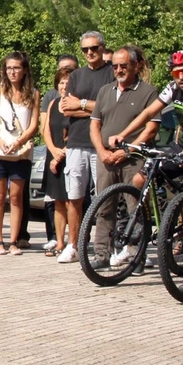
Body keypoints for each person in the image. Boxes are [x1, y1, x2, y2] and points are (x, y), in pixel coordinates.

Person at [88, 47, 160, 267]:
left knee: (136, 207)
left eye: (124, 66)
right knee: (104, 207)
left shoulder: (148, 92)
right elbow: (94, 124)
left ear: (136, 65)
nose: (119, 70)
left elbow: (151, 128)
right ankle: (102, 254)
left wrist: (127, 151)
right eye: (115, 66)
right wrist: (101, 151)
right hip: (105, 158)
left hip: (134, 159)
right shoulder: (105, 91)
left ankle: (136, 254)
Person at [58, 32, 113, 259]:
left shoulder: (112, 73)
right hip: (77, 142)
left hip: (102, 143)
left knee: (105, 198)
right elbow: (66, 108)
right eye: (85, 49)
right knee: (74, 197)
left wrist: (81, 104)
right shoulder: (77, 76)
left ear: (102, 48)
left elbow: (110, 107)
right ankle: (74, 245)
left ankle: (107, 247)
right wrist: (95, 108)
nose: (90, 53)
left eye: (94, 48)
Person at [0, 52, 40, 255]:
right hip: (0, 151)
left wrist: (18, 142)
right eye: (9, 68)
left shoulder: (33, 93)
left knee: (16, 197)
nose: (12, 72)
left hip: (21, 151)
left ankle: (14, 241)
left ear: (24, 69)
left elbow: (33, 125)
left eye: (16, 67)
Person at [109, 50, 183, 152]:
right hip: (181, 146)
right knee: (156, 167)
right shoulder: (172, 88)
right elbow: (148, 113)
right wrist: (122, 135)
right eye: (176, 73)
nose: (181, 77)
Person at [39, 57, 78, 260]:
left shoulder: (77, 106)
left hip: (71, 156)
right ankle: (59, 242)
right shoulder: (53, 102)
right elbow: (45, 130)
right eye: (61, 82)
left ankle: (74, 243)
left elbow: (79, 131)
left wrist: (61, 153)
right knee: (58, 202)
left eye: (67, 82)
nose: (64, 86)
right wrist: (53, 151)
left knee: (73, 202)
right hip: (54, 157)